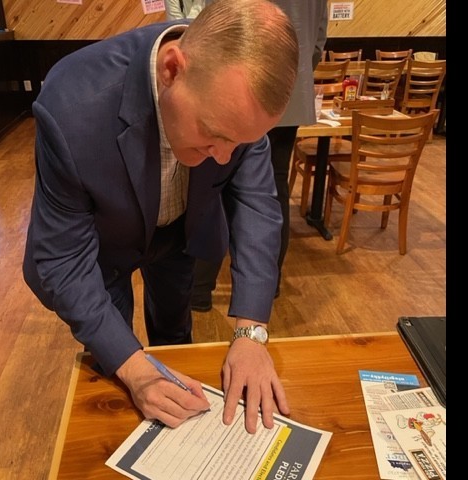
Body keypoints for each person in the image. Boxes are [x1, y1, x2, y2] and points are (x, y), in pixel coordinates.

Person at [22, 0, 299, 434]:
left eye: (240, 143)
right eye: (214, 134)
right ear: (171, 70)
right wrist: (134, 369)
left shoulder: (232, 102)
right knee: (114, 359)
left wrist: (250, 332)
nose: (224, 158)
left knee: (174, 327)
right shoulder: (72, 106)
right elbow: (63, 259)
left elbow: (258, 205)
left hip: (180, 232)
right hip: (101, 249)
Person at [191, 0, 330, 310]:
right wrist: (290, 81)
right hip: (291, 95)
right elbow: (318, 40)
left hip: (238, 89)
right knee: (276, 185)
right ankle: (268, 285)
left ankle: (199, 288)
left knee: (216, 183)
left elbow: (214, 24)